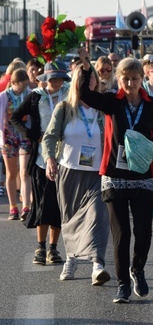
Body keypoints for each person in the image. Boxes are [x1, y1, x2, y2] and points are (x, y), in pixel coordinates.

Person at [76, 47, 153, 304]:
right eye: (125, 78)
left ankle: (137, 269)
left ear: (142, 79)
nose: (130, 83)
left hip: (143, 175)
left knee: (143, 233)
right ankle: (122, 284)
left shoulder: (151, 106)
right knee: (122, 234)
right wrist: (86, 67)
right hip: (114, 175)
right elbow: (85, 94)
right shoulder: (111, 102)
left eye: (135, 78)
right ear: (119, 79)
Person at [42, 63, 111, 285]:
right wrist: (50, 158)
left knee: (97, 216)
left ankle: (97, 264)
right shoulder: (64, 107)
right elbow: (50, 136)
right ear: (76, 81)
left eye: (92, 77)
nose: (89, 80)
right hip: (69, 171)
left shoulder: (102, 106)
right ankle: (71, 258)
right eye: (84, 76)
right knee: (70, 219)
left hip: (97, 172)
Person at [11, 61, 70, 265]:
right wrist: (32, 134)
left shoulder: (69, 94)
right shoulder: (36, 96)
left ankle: (53, 249)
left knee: (58, 204)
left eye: (59, 78)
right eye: (52, 78)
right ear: (45, 78)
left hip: (65, 156)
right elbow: (15, 117)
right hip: (41, 158)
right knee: (42, 202)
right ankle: (40, 247)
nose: (56, 82)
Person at [1, 69, 32, 220]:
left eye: (26, 85)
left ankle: (26, 206)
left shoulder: (30, 94)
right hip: (9, 137)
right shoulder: (4, 96)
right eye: (21, 85)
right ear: (13, 83)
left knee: (25, 171)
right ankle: (13, 207)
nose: (24, 88)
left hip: (25, 135)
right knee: (11, 172)